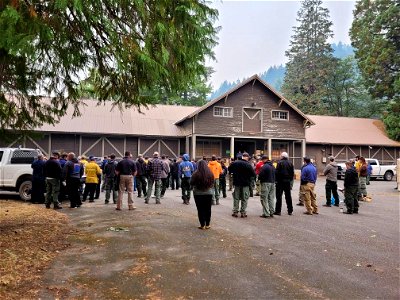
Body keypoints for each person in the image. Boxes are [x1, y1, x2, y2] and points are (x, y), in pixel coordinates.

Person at [228, 152, 256, 218]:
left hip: (237, 183)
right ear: (247, 157)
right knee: (244, 198)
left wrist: (234, 173)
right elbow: (253, 174)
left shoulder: (235, 163)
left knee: (236, 198)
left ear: (242, 156)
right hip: (245, 184)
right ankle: (243, 212)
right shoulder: (248, 165)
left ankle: (235, 212)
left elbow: (229, 169)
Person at [190, 160, 215, 230]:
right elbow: (213, 182)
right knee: (208, 209)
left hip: (198, 194)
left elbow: (191, 183)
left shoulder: (195, 174)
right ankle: (208, 224)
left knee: (200, 209)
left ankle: (202, 225)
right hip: (208, 193)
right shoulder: (210, 173)